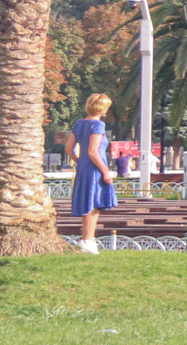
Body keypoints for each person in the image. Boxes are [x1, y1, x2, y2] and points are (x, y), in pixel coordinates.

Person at [69, 93, 118, 254]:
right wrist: (106, 171)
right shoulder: (98, 125)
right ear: (103, 108)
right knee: (94, 204)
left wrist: (79, 162)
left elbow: (69, 149)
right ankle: (88, 240)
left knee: (89, 203)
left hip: (84, 168)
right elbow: (93, 151)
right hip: (95, 169)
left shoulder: (79, 123)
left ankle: (88, 239)